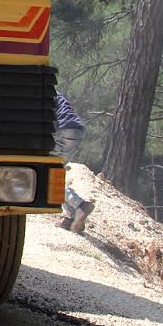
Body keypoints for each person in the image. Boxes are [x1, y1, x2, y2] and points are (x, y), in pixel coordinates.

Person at [54, 91, 96, 232]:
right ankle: (74, 218)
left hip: (63, 130)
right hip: (76, 130)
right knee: (55, 172)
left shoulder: (41, 90)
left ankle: (80, 205)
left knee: (47, 175)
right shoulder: (52, 90)